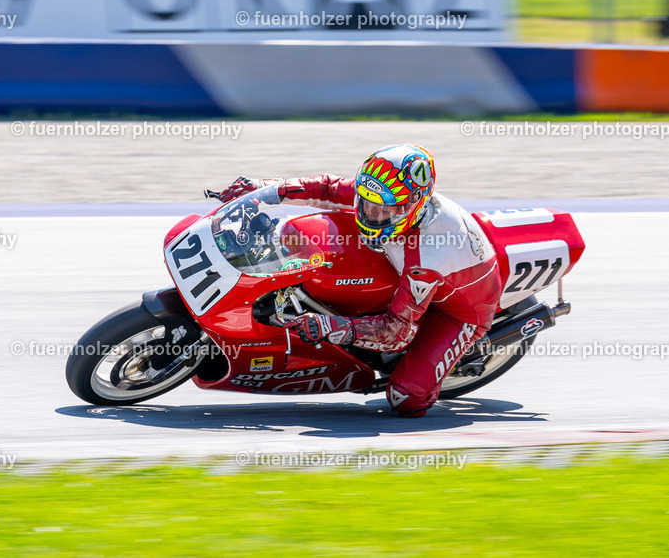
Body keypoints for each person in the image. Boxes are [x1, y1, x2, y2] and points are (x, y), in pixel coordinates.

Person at [212, 144, 502, 417]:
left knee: (405, 400)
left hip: (461, 310)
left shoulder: (425, 259)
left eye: (385, 211)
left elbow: (397, 331)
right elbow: (327, 187)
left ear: (413, 205)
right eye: (366, 204)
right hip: (408, 265)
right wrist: (266, 189)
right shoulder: (384, 191)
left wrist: (332, 326)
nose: (371, 214)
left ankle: (434, 369)